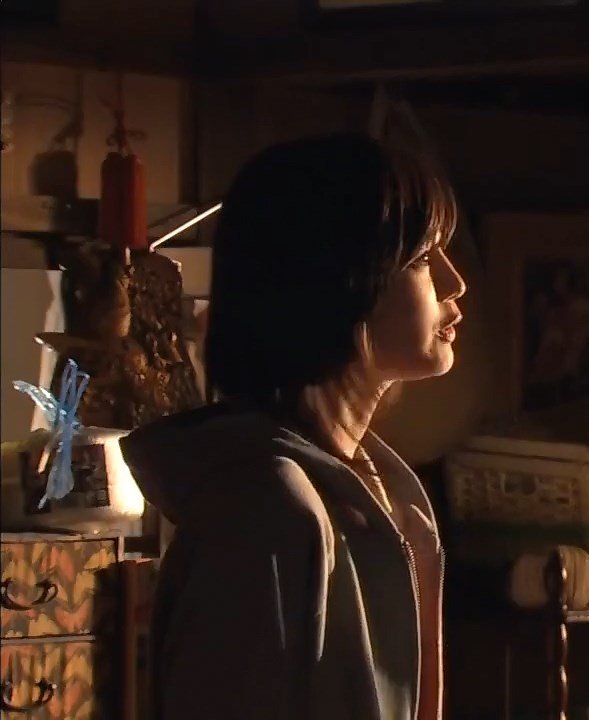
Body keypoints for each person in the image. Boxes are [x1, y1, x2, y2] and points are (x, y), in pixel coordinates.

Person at [121, 133, 466, 720]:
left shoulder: (391, 493)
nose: (455, 284)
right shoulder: (265, 509)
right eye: (422, 259)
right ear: (341, 279)